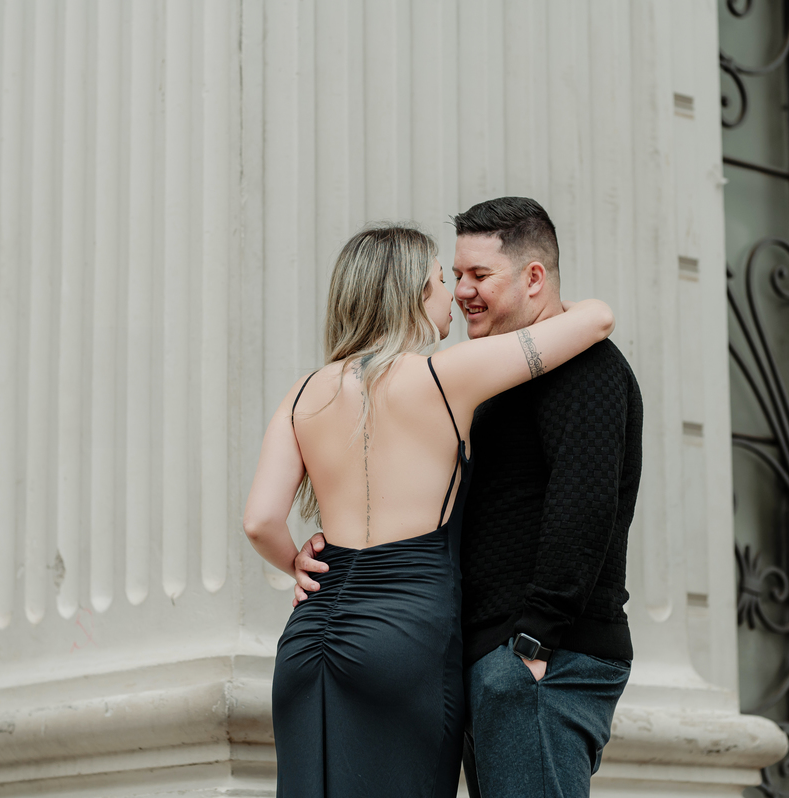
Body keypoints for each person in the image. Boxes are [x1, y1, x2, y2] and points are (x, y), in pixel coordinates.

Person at [243, 223, 615, 798]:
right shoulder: (448, 375)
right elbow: (596, 321)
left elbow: (260, 521)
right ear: (415, 293)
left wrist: (296, 562)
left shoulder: (302, 393)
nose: (453, 295)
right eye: (443, 280)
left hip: (307, 636)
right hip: (406, 634)